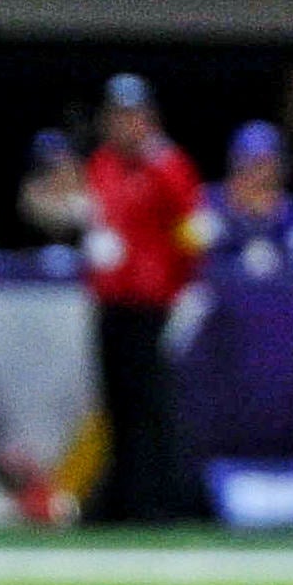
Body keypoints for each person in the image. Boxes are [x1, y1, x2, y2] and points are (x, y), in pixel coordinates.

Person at [74, 78, 206, 525]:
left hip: (154, 303)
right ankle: (122, 497)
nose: (125, 125)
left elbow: (192, 231)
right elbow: (99, 220)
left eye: (133, 116)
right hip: (111, 299)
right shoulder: (102, 164)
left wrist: (181, 284)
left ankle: (155, 498)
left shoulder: (169, 165)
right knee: (116, 404)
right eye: (117, 116)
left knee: (151, 403)